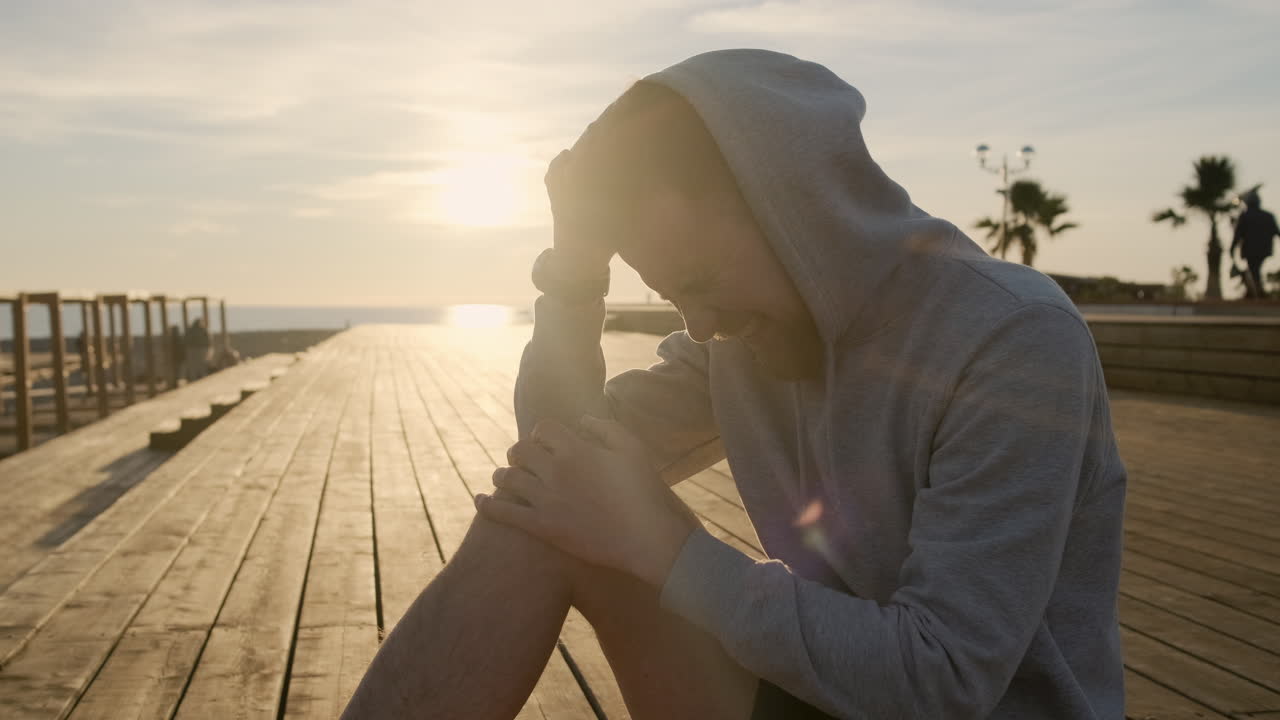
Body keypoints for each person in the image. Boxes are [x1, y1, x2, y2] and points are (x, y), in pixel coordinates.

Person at [344, 50, 1126, 719]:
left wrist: (669, 545)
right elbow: (556, 462)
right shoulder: (746, 339)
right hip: (820, 696)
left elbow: (944, 680)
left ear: (799, 213)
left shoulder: (1010, 339)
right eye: (671, 294)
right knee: (547, 516)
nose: (701, 324)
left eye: (701, 282)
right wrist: (575, 274)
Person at [1232, 189, 1277, 299]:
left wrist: (1232, 248)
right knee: (1255, 269)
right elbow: (1276, 231)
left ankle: (1257, 291)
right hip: (1264, 249)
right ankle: (1254, 291)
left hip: (1250, 250)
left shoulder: (1245, 216)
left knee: (1254, 269)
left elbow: (1237, 235)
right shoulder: (1268, 216)